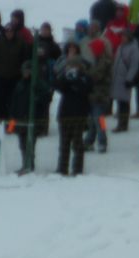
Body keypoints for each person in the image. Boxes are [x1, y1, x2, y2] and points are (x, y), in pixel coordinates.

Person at [54, 43, 92, 176]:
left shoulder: (85, 77)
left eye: (73, 65)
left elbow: (86, 89)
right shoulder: (65, 76)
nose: (71, 68)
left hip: (79, 115)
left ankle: (77, 169)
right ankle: (62, 168)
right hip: (64, 114)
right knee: (64, 143)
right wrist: (66, 78)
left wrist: (76, 80)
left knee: (77, 143)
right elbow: (58, 87)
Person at [10, 59, 50, 171]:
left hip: (33, 120)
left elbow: (47, 97)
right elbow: (15, 102)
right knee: (22, 144)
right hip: (20, 119)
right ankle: (25, 164)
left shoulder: (38, 83)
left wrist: (38, 99)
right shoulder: (20, 84)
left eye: (28, 70)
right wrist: (13, 118)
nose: (26, 73)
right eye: (25, 71)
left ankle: (30, 165)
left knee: (30, 144)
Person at [84, 38, 113, 153]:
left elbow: (96, 76)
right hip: (94, 95)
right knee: (93, 120)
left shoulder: (104, 62)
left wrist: (85, 73)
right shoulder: (96, 61)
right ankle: (89, 141)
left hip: (100, 95)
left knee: (99, 120)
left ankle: (102, 142)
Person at [112, 28, 139, 132]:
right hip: (117, 78)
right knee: (120, 102)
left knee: (124, 102)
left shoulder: (134, 48)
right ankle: (121, 122)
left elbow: (134, 65)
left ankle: (123, 124)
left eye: (124, 36)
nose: (122, 38)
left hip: (125, 78)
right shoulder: (120, 47)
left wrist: (129, 78)